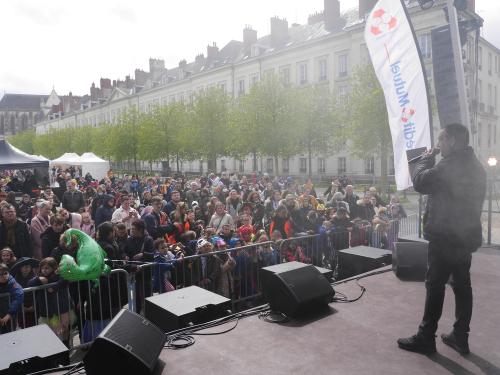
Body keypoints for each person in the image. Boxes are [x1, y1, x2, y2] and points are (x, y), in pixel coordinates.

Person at [398, 124, 486, 355]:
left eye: (442, 141)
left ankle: (426, 337)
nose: (439, 146)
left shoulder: (449, 166)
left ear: (453, 141)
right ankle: (460, 336)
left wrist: (426, 158)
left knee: (435, 285)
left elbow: (419, 181)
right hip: (464, 235)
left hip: (445, 235)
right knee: (462, 285)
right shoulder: (477, 167)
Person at [0, 263, 24, 334]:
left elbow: (19, 295)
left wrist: (9, 314)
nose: (3, 276)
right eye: (0, 274)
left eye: (5, 273)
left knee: (11, 334)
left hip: (9, 316)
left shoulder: (12, 282)